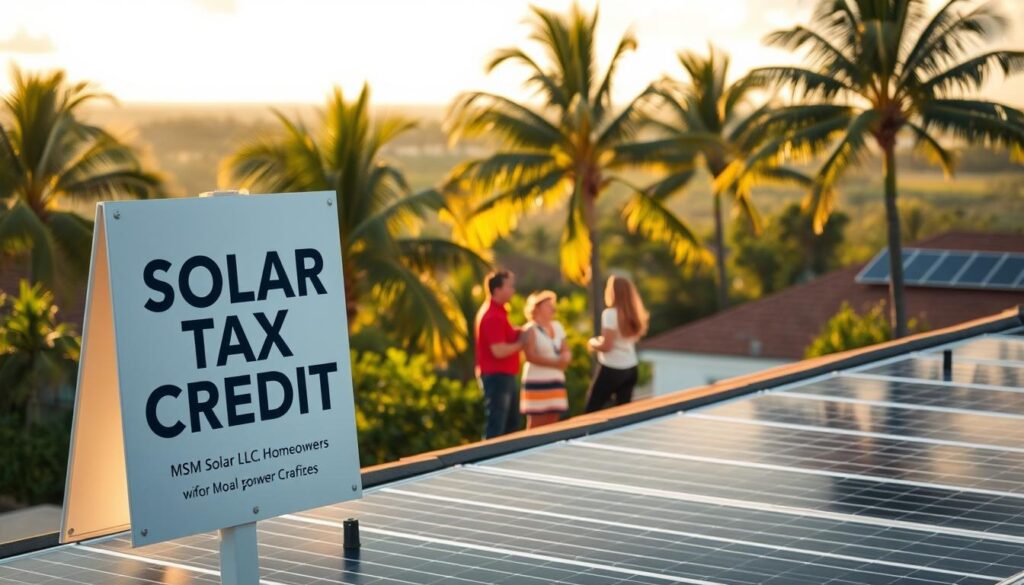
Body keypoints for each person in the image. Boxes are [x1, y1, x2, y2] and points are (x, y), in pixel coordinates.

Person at [585, 275, 648, 412]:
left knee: (591, 410)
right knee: (622, 412)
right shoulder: (633, 314)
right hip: (631, 368)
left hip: (612, 368)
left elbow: (607, 346)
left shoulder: (610, 314)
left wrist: (593, 343)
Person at [475, 270, 524, 438]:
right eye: (509, 286)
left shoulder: (500, 312)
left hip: (503, 376)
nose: (513, 290)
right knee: (497, 426)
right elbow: (499, 350)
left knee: (510, 424)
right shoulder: (492, 315)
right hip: (497, 377)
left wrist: (520, 333)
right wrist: (522, 343)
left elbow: (505, 338)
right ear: (497, 290)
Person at [520, 290, 571, 428]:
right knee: (536, 423)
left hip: (556, 380)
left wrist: (566, 358)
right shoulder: (530, 329)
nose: (552, 308)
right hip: (537, 382)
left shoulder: (557, 326)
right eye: (548, 305)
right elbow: (530, 356)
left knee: (553, 421)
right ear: (537, 308)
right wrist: (556, 363)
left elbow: (565, 348)